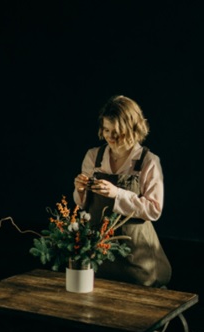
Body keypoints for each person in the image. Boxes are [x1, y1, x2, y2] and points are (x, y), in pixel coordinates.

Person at [73, 95, 172, 287]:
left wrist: (117, 194)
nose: (110, 136)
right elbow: (82, 204)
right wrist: (80, 190)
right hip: (98, 250)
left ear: (133, 130)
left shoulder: (149, 161)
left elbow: (154, 209)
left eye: (117, 132)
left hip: (135, 255)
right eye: (106, 130)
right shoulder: (94, 157)